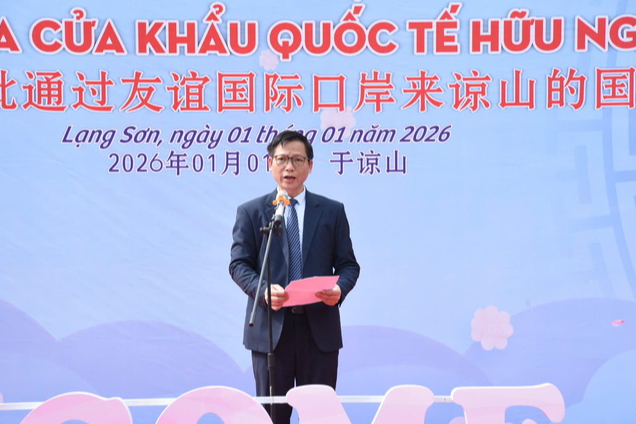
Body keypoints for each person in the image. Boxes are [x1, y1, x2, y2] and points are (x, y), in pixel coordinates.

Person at [229, 130, 360, 424]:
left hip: (319, 331)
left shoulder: (331, 211)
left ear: (310, 166)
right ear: (270, 164)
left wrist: (340, 289)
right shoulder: (252, 212)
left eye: (298, 160)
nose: (289, 167)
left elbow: (349, 266)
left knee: (320, 416)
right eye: (282, 159)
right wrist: (263, 290)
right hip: (272, 333)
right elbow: (239, 265)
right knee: (272, 417)